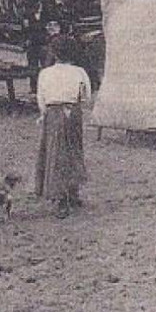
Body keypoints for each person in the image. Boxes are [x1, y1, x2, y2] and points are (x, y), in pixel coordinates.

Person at [33, 31, 93, 218]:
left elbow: (41, 98)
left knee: (55, 153)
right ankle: (69, 193)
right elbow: (86, 97)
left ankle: (61, 195)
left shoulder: (45, 73)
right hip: (72, 113)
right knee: (73, 151)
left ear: (54, 53)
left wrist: (46, 113)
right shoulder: (80, 72)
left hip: (52, 113)